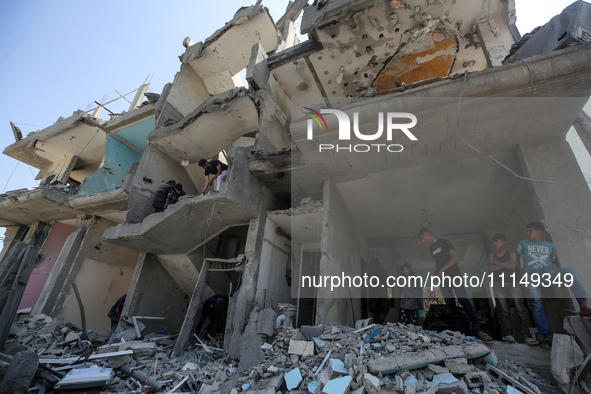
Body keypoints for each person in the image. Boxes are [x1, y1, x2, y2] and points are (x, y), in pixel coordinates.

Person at [515, 222, 590, 349]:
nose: (528, 233)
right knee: (537, 304)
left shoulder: (550, 246)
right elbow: (517, 257)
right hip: (530, 275)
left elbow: (553, 261)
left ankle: (583, 305)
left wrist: (552, 268)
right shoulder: (523, 243)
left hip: (546, 272)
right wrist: (521, 272)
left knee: (568, 271)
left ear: (539, 231)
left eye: (530, 230)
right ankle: (546, 337)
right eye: (527, 231)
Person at [418, 228, 493, 343]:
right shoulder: (431, 248)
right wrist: (435, 274)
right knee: (451, 306)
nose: (423, 241)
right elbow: (437, 262)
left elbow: (455, 257)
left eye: (423, 238)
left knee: (463, 300)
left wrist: (442, 270)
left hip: (454, 275)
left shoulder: (444, 242)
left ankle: (479, 331)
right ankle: (463, 334)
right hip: (443, 280)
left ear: (428, 234)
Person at [489, 234, 537, 345]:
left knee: (520, 309)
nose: (495, 244)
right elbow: (491, 268)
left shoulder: (511, 253)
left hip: (513, 283)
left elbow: (512, 266)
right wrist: (505, 264)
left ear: (504, 242)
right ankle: (509, 335)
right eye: (494, 242)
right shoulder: (492, 255)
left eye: (497, 241)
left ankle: (526, 336)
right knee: (504, 311)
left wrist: (497, 263)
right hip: (498, 284)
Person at [366, 250, 390, 324]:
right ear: (378, 258)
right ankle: (376, 328)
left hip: (375, 297)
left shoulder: (370, 266)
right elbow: (385, 280)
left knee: (377, 314)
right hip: (380, 296)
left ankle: (376, 328)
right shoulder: (377, 267)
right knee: (382, 311)